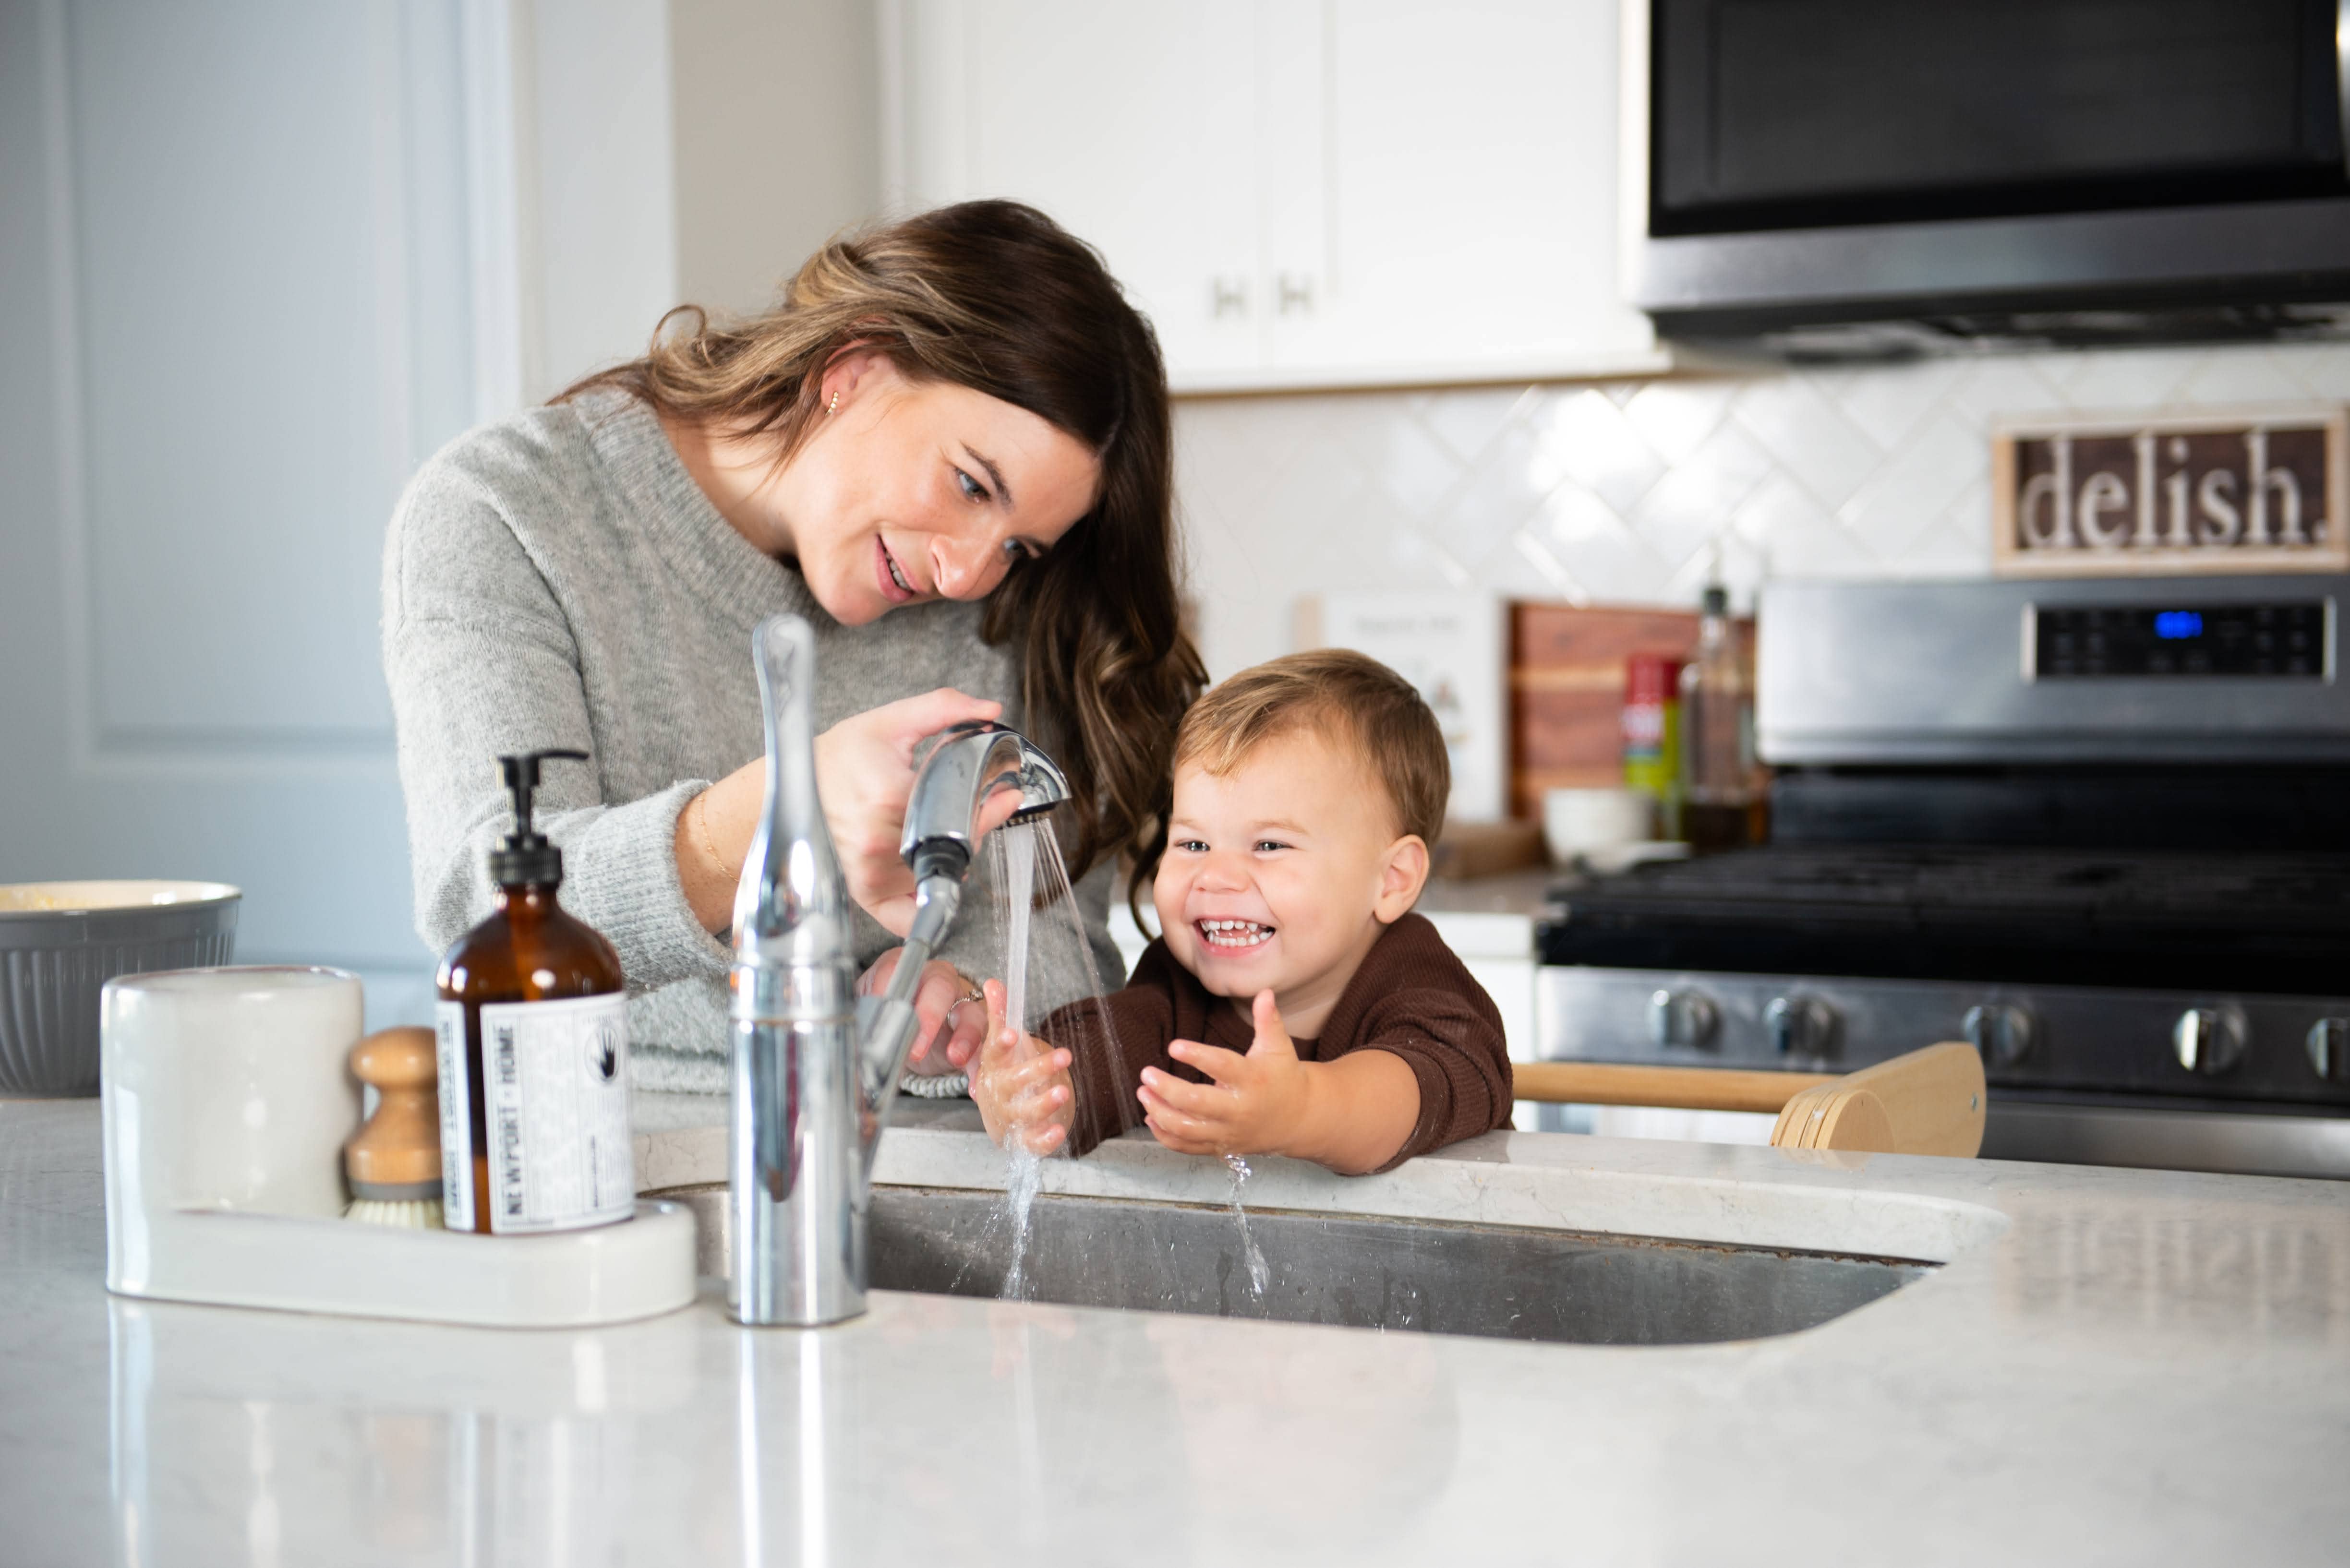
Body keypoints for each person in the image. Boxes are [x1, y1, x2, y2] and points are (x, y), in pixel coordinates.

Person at [383, 201, 1204, 1093]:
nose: (970, 574)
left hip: (908, 1147)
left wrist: (960, 992)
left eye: (1018, 546)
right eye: (970, 484)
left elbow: (1059, 928)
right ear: (854, 367)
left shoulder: (1014, 609)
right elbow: (486, 915)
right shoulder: (504, 511)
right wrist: (782, 808)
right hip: (602, 1133)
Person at [969, 650, 1515, 1174]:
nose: (1216, 877)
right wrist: (1036, 1091)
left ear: (1391, 881)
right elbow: (1107, 1050)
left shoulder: (1419, 981)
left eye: (1269, 846)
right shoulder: (1179, 988)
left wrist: (1301, 1112)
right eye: (1193, 845)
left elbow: (1420, 1087)